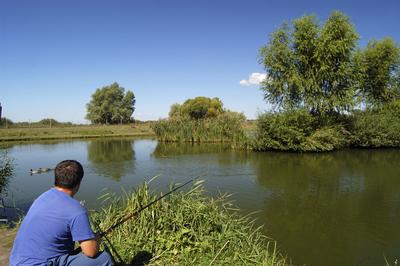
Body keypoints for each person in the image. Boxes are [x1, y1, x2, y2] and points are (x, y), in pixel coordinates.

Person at [10, 160, 113, 266]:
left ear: (56, 178)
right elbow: (90, 252)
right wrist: (96, 240)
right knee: (104, 259)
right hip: (41, 264)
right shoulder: (76, 210)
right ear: (79, 182)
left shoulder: (42, 197)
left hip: (16, 262)